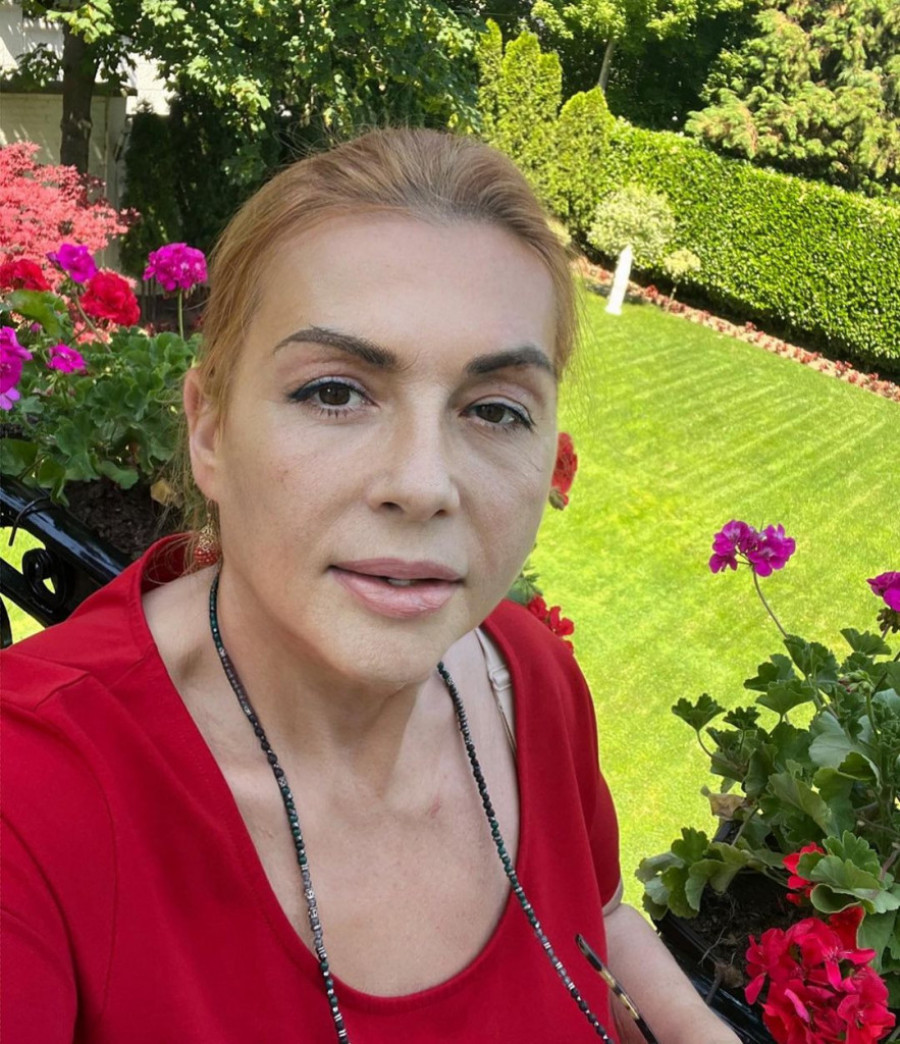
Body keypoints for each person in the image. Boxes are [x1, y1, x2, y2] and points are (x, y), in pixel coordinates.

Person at [1, 128, 739, 1043]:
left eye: (495, 410)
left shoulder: (532, 683)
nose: (423, 485)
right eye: (334, 393)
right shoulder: (34, 792)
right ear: (210, 433)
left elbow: (603, 916)